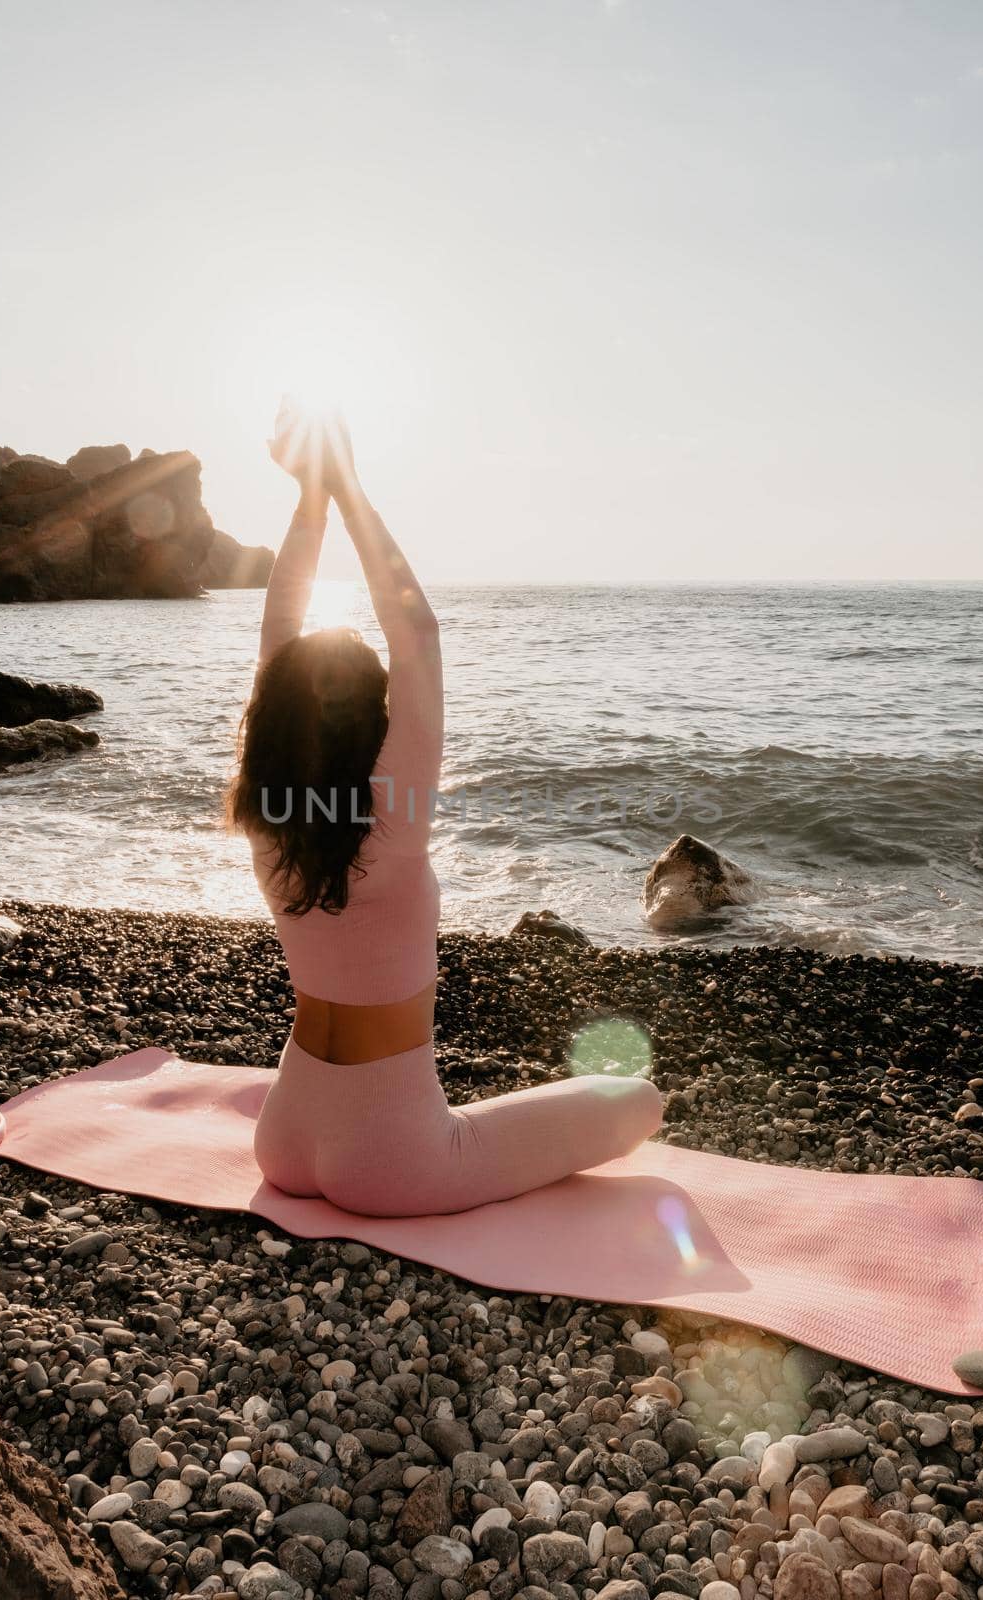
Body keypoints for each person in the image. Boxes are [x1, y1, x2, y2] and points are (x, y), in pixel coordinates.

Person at [227, 403, 662, 1215]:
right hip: (390, 1162)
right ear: (374, 716)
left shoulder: (265, 811)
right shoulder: (392, 809)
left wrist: (310, 498)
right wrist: (346, 486)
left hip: (282, 1140)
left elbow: (279, 627)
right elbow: (416, 632)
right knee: (637, 1104)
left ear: (278, 715)